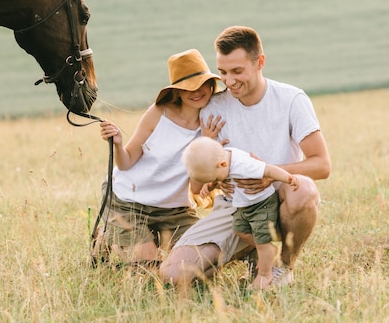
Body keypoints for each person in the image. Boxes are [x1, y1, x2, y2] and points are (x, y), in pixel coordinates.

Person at [160, 26, 331, 292]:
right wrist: (214, 181)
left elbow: (322, 164)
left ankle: (281, 266)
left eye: (237, 71)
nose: (229, 81)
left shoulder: (291, 99)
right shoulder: (213, 109)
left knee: (305, 190)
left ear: (260, 62)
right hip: (234, 209)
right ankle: (249, 250)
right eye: (223, 72)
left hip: (280, 197)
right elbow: (198, 186)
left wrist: (268, 173)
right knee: (173, 274)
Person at [93, 49, 225, 265]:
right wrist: (117, 142)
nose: (197, 91)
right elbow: (125, 163)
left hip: (173, 210)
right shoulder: (158, 113)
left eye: (202, 84)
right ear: (177, 91)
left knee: (202, 261)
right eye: (187, 87)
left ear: (211, 85)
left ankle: (145, 236)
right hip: (127, 201)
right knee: (148, 267)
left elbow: (194, 188)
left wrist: (207, 144)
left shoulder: (211, 125)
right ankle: (108, 233)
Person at [182, 136, 300, 289]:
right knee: (239, 230)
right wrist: (210, 186)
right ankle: (267, 250)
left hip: (261, 205)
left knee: (261, 238)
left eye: (216, 178)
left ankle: (265, 274)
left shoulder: (244, 164)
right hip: (244, 206)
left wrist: (288, 178)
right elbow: (216, 177)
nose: (218, 182)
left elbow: (269, 169)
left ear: (222, 164)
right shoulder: (221, 161)